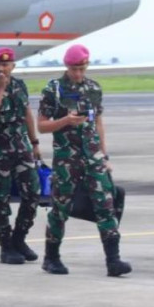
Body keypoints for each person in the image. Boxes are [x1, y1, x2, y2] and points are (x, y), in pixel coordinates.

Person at [38, 44, 131, 277]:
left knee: (106, 206)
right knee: (60, 208)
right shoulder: (54, 89)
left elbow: (98, 123)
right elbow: (41, 125)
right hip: (67, 160)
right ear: (66, 66)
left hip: (93, 159)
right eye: (73, 68)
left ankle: (113, 260)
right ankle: (51, 257)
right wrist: (64, 121)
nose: (77, 73)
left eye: (81, 68)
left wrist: (104, 155)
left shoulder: (93, 88)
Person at [0, 47, 41, 264]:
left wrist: (34, 142)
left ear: (13, 66)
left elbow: (27, 114)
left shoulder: (20, 86)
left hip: (22, 149)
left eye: (6, 65)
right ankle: (6, 248)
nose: (2, 69)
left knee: (32, 193)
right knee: (1, 200)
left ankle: (19, 239)